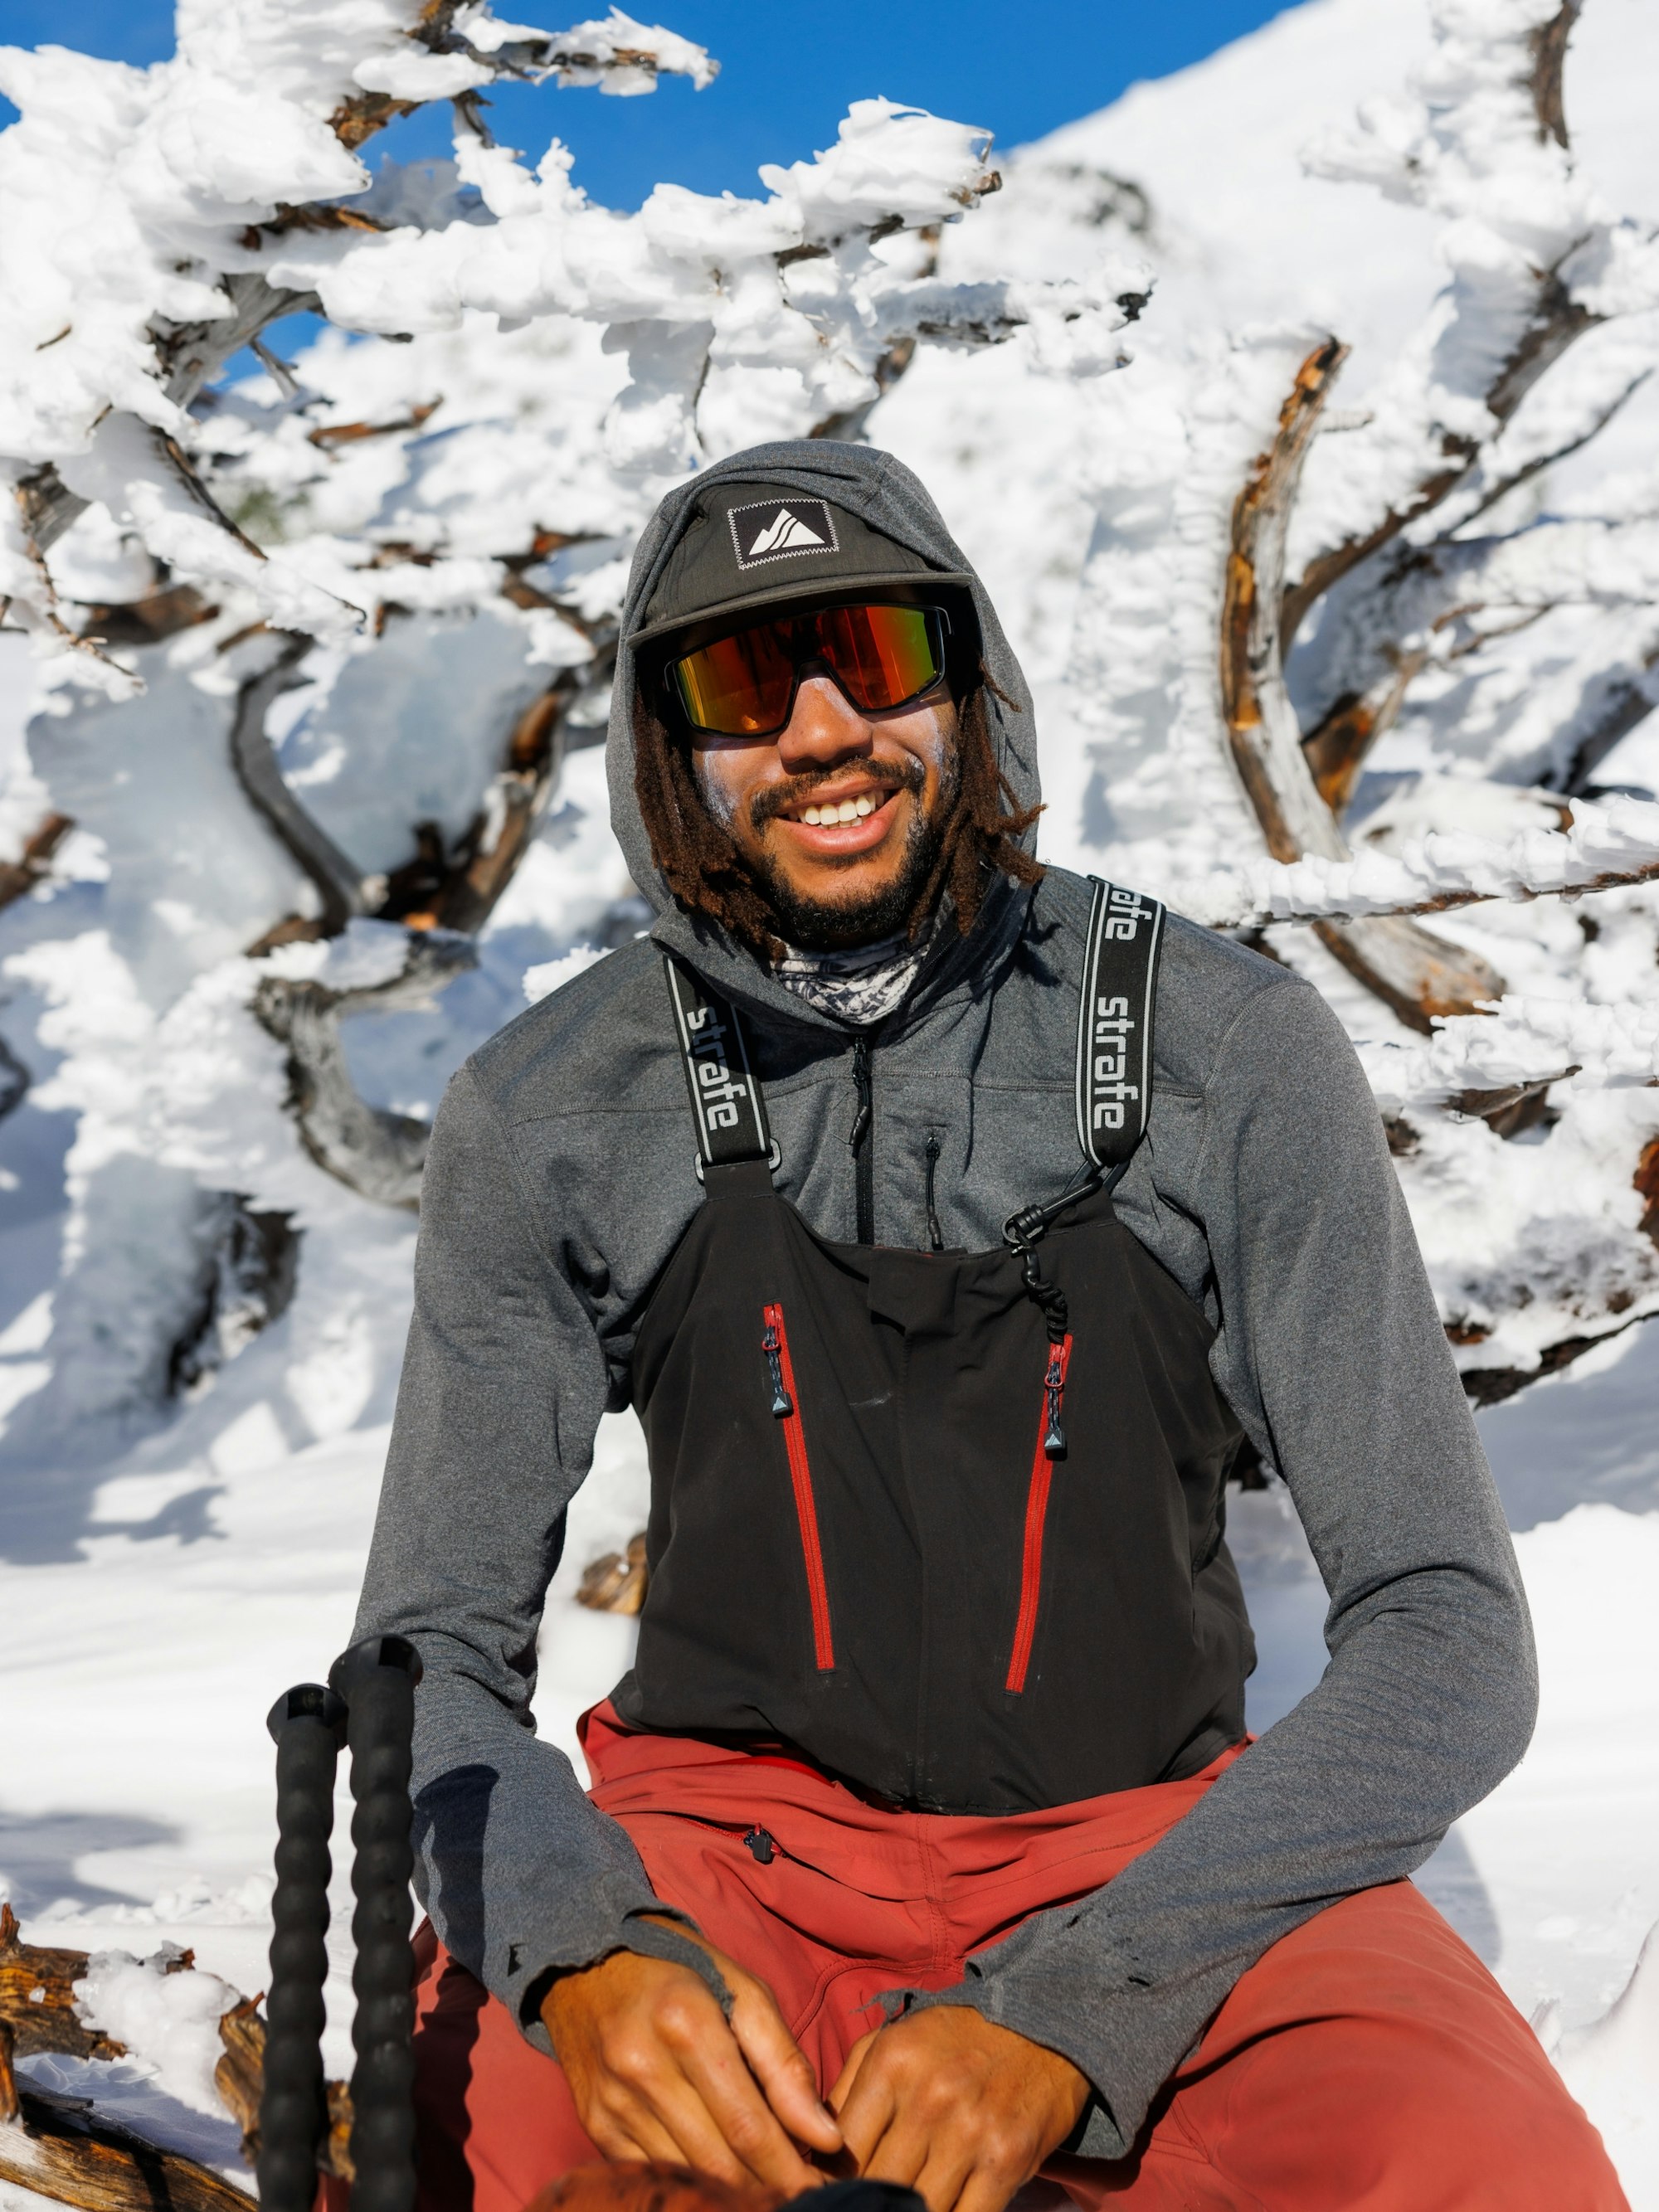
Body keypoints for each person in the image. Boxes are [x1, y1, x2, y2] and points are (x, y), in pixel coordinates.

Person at [351, 442, 1627, 2212]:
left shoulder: (1223, 1047)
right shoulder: (557, 1103)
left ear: (963, 683)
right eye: (738, 678)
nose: (814, 729)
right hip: (718, 1855)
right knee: (480, 2167)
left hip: (1155, 1858)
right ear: (670, 743)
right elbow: (426, 1655)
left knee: (1491, 2176)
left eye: (868, 653)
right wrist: (574, 1945)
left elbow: (1446, 1630)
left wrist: (1076, 2004)